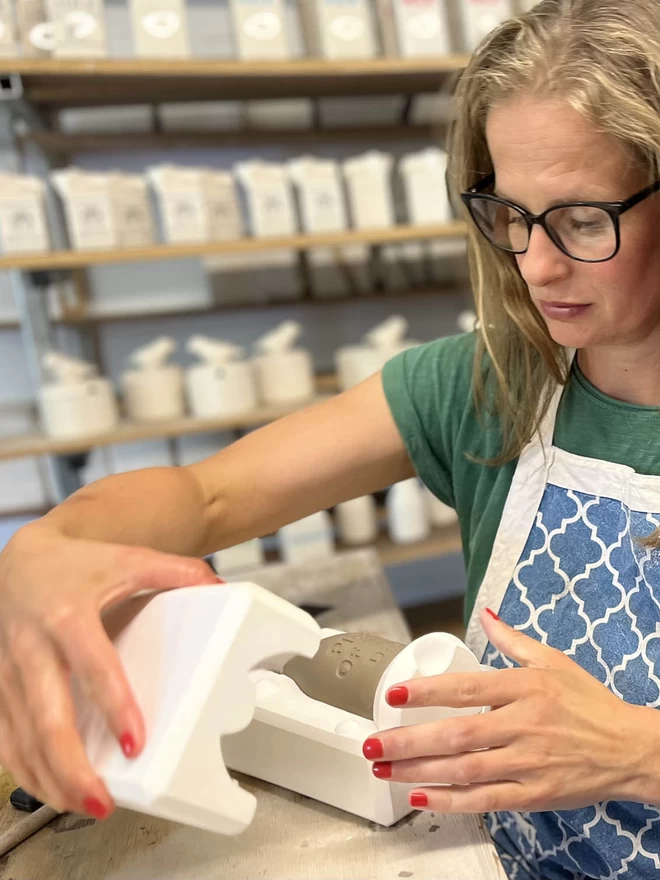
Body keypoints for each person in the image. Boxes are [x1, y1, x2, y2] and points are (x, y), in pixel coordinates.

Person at [2, 0, 660, 875]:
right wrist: (47, 548)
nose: (536, 264)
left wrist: (634, 749)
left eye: (583, 219)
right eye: (511, 214)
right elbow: (210, 496)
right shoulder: (496, 385)